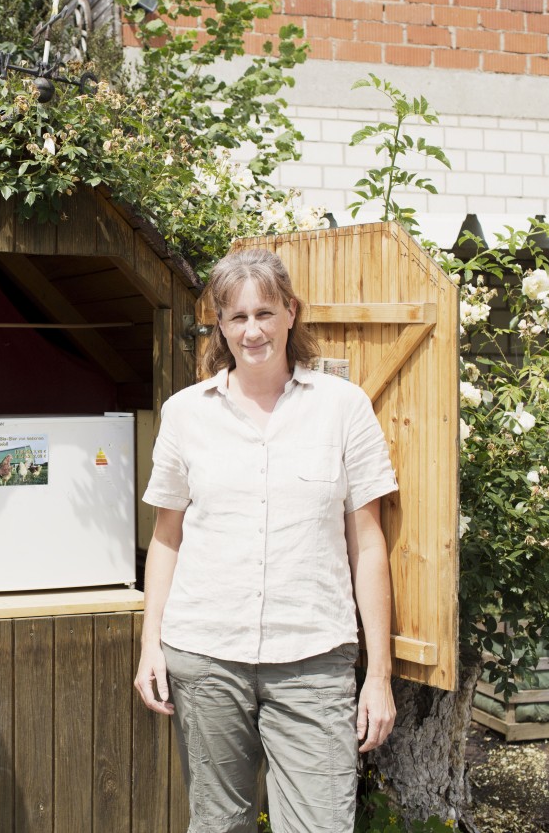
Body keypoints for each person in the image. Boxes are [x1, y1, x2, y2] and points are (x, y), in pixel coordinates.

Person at [133, 248, 398, 833]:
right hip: (205, 658)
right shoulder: (184, 415)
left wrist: (378, 674)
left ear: (290, 314)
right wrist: (151, 644)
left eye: (265, 313)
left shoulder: (343, 409)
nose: (252, 330)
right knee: (220, 823)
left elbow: (369, 543)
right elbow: (168, 539)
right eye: (237, 317)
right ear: (221, 327)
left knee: (321, 824)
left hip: (314, 661)